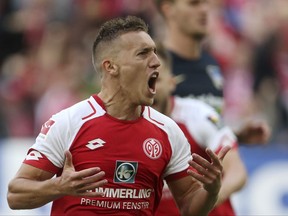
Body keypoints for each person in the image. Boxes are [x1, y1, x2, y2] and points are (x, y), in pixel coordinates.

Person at [7, 16, 230, 216]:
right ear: (111, 66)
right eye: (143, 53)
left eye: (154, 52)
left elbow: (189, 206)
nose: (156, 62)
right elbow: (15, 195)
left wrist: (211, 190)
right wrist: (59, 187)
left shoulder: (168, 131)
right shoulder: (68, 123)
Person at [154, 0, 271, 145]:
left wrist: (237, 135)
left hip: (210, 166)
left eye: (206, 3)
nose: (204, 10)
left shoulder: (211, 64)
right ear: (168, 9)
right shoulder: (155, 65)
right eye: (194, 4)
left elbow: (204, 127)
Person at [152, 42, 247, 216]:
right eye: (146, 80)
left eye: (156, 79)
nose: (151, 88)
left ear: (172, 82)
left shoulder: (199, 115)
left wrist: (208, 199)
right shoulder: (124, 126)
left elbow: (237, 172)